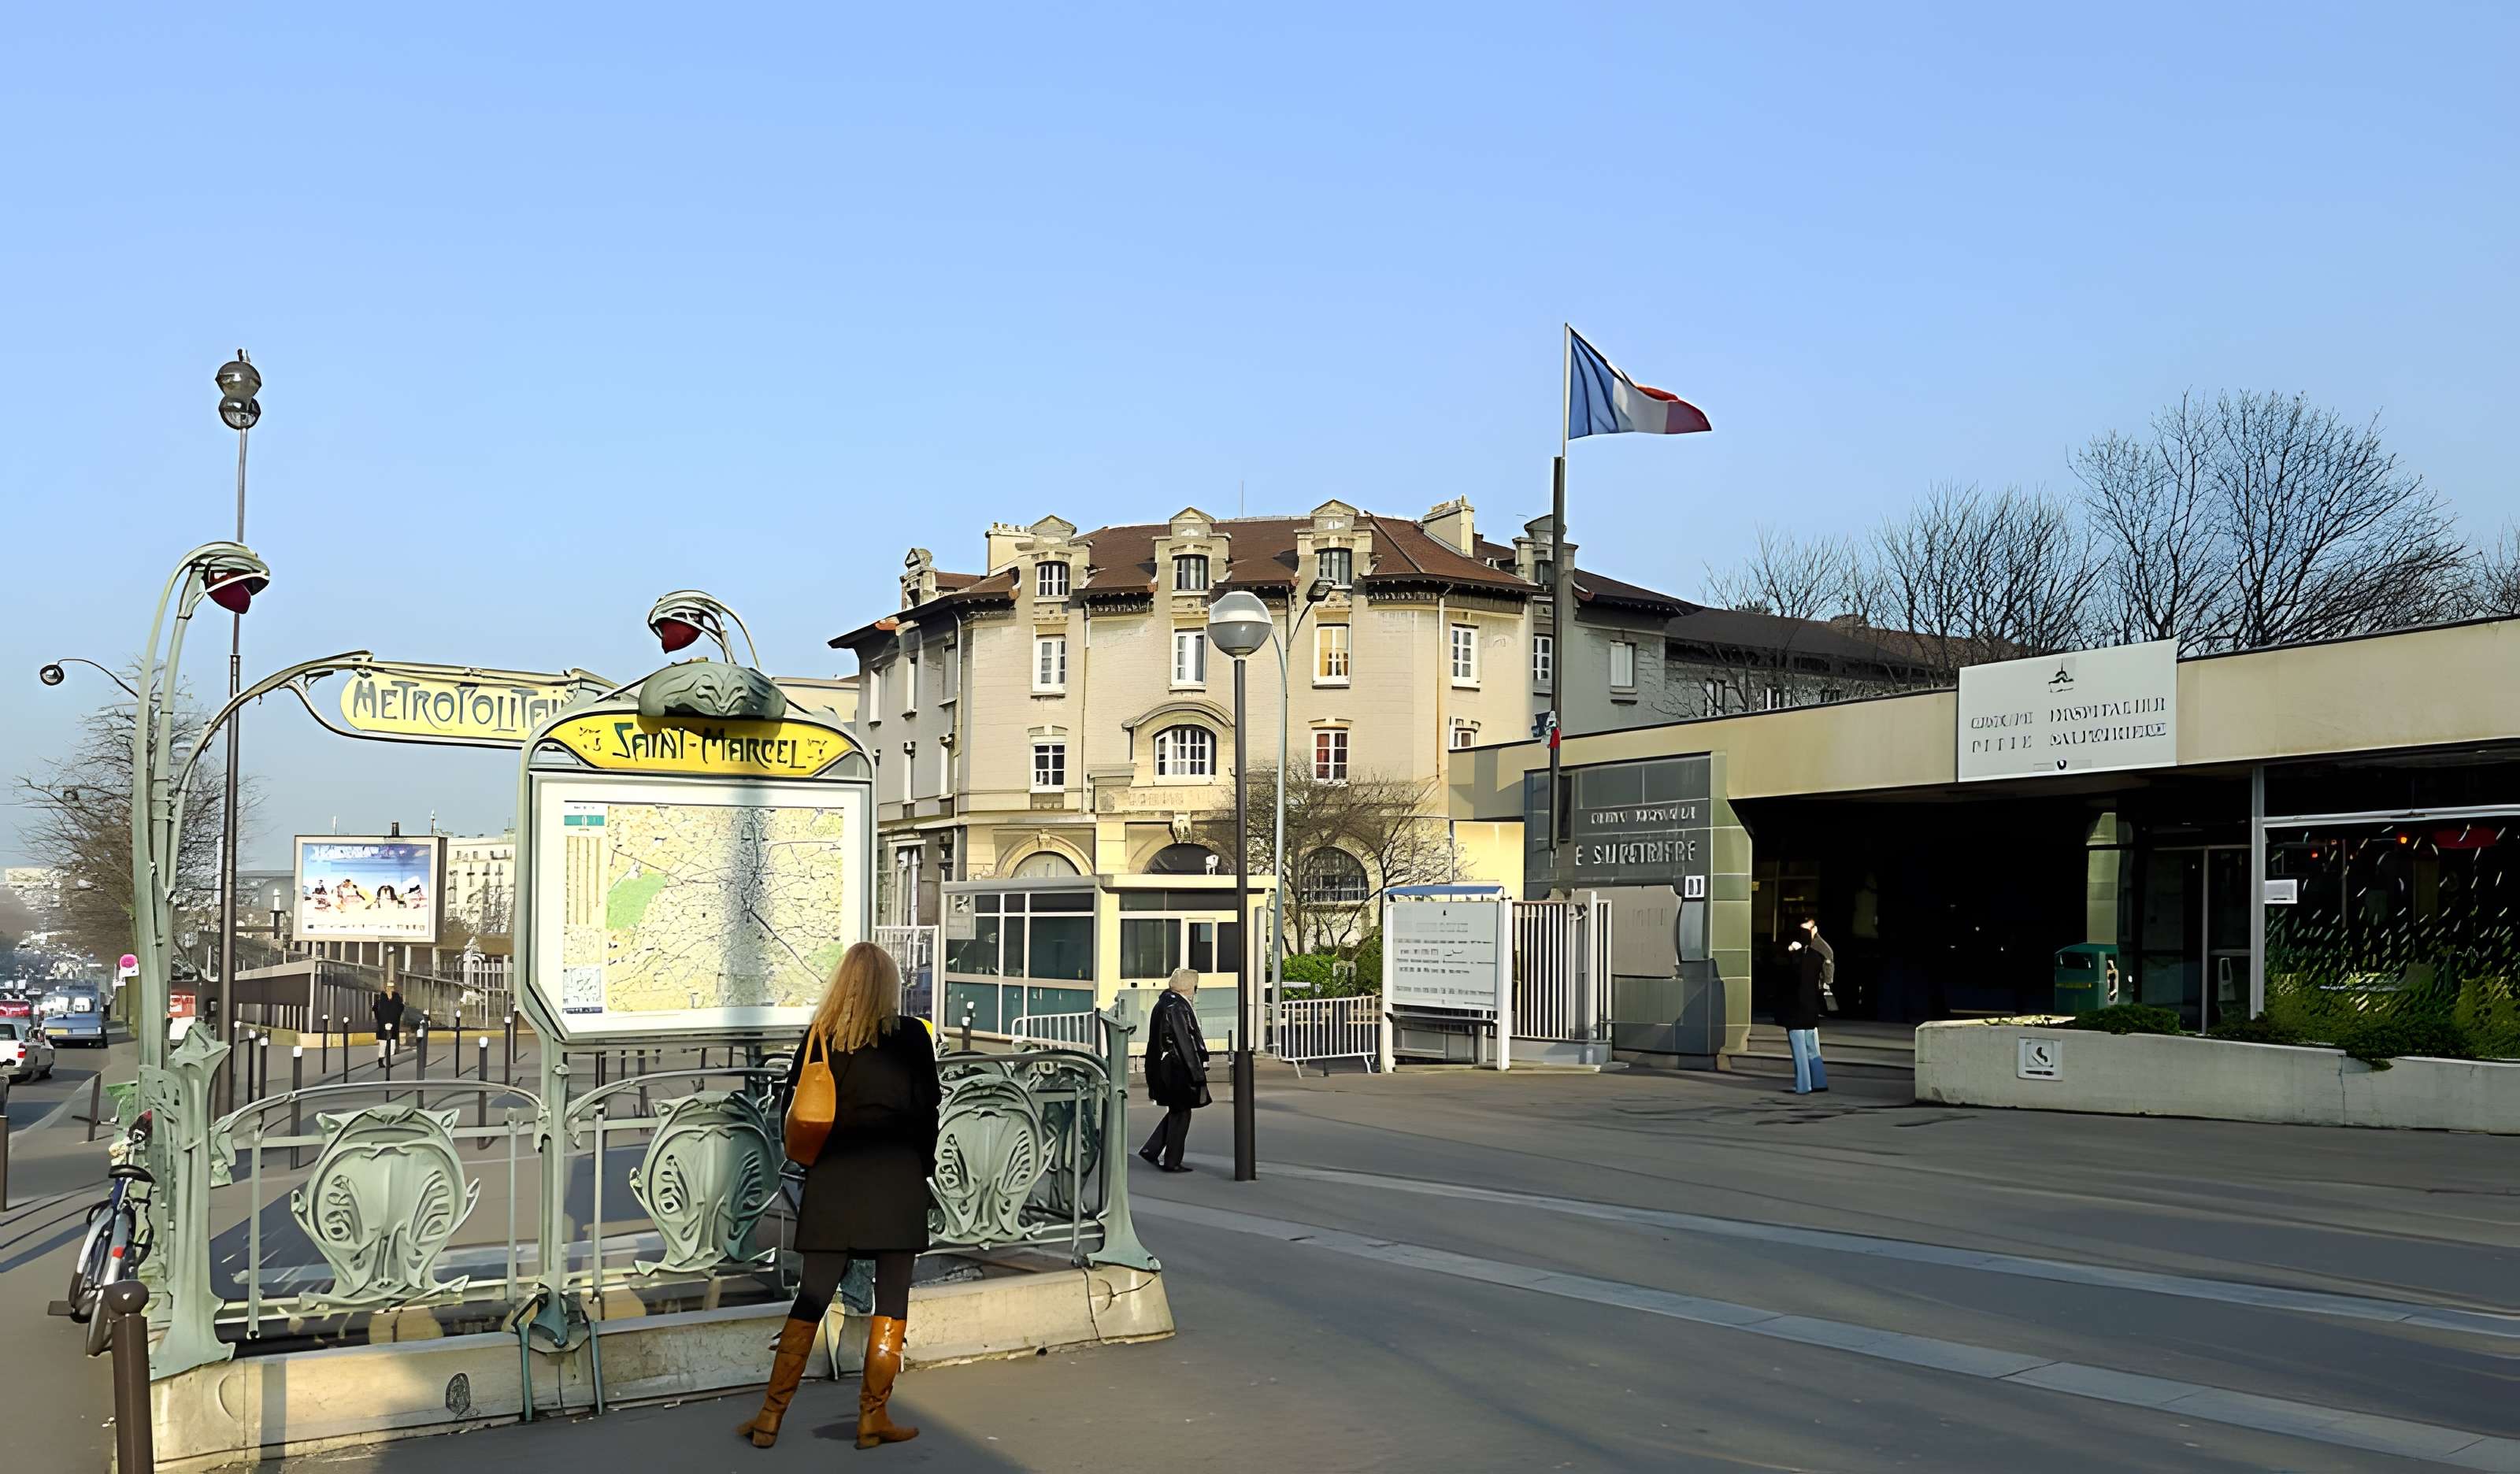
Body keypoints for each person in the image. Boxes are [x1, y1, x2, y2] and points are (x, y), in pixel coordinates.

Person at [739, 942, 940, 1452]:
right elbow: (928, 1114)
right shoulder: (912, 1037)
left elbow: (795, 1113)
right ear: (889, 986)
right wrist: (923, 1170)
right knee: (891, 1301)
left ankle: (769, 1415)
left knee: (811, 1296)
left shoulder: (818, 1038)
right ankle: (873, 1417)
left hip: (834, 1186)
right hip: (896, 1183)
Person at [1138, 968, 1209, 1172]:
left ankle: (1151, 1149)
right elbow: (1185, 1043)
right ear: (1189, 987)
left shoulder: (1165, 1002)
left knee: (1176, 1111)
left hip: (1166, 1068)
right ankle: (1172, 1161)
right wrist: (1197, 1072)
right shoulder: (1177, 1007)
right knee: (1182, 1113)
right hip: (1177, 1070)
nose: (1196, 991)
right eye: (1195, 987)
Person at [1782, 917, 1835, 1094]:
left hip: (1797, 1009)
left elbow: (1788, 982)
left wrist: (1792, 953)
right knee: (1812, 1048)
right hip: (1811, 1007)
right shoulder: (1817, 956)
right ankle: (1819, 1082)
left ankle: (1803, 1085)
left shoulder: (1797, 959)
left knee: (1800, 1050)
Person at [370, 985, 405, 1050]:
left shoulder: (383, 999)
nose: (389, 990)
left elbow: (375, 1009)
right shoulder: (382, 998)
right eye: (388, 988)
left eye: (390, 988)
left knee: (389, 1041)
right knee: (386, 1041)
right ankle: (388, 1053)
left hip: (387, 1023)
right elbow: (401, 1008)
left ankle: (387, 1054)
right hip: (387, 1023)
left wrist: (378, 1017)